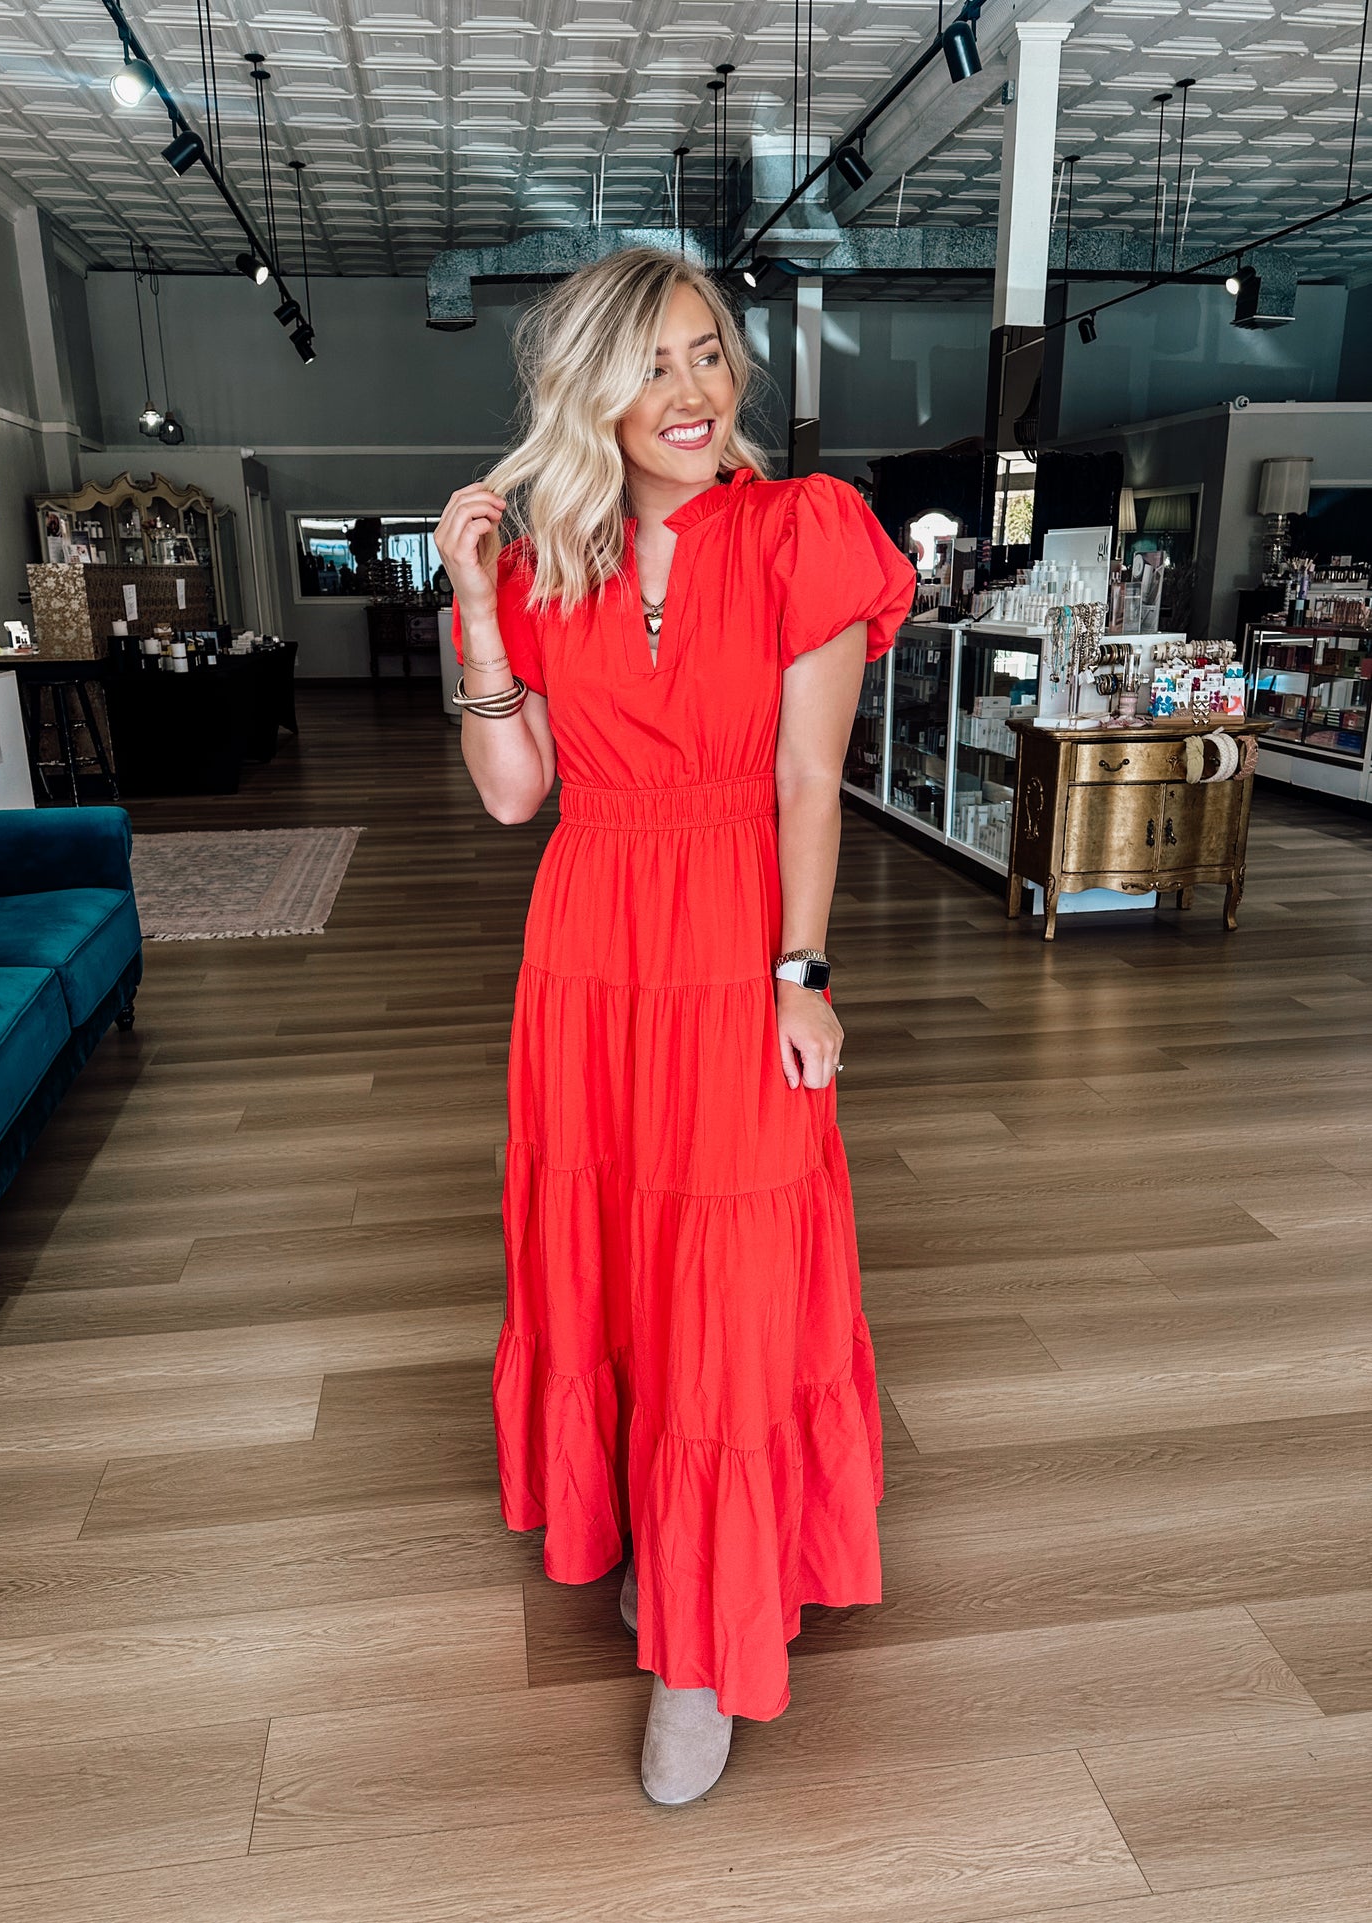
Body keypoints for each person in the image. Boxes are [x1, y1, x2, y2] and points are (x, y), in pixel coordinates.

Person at [435, 246, 916, 1805]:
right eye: (651, 365)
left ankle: (703, 1649)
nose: (690, 392)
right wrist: (472, 611)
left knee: (723, 1260)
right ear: (589, 393)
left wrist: (802, 975)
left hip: (731, 932)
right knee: (614, 1254)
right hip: (584, 939)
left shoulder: (803, 531)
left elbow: (802, 786)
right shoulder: (540, 567)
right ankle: (647, 1528)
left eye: (708, 356)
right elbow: (516, 798)